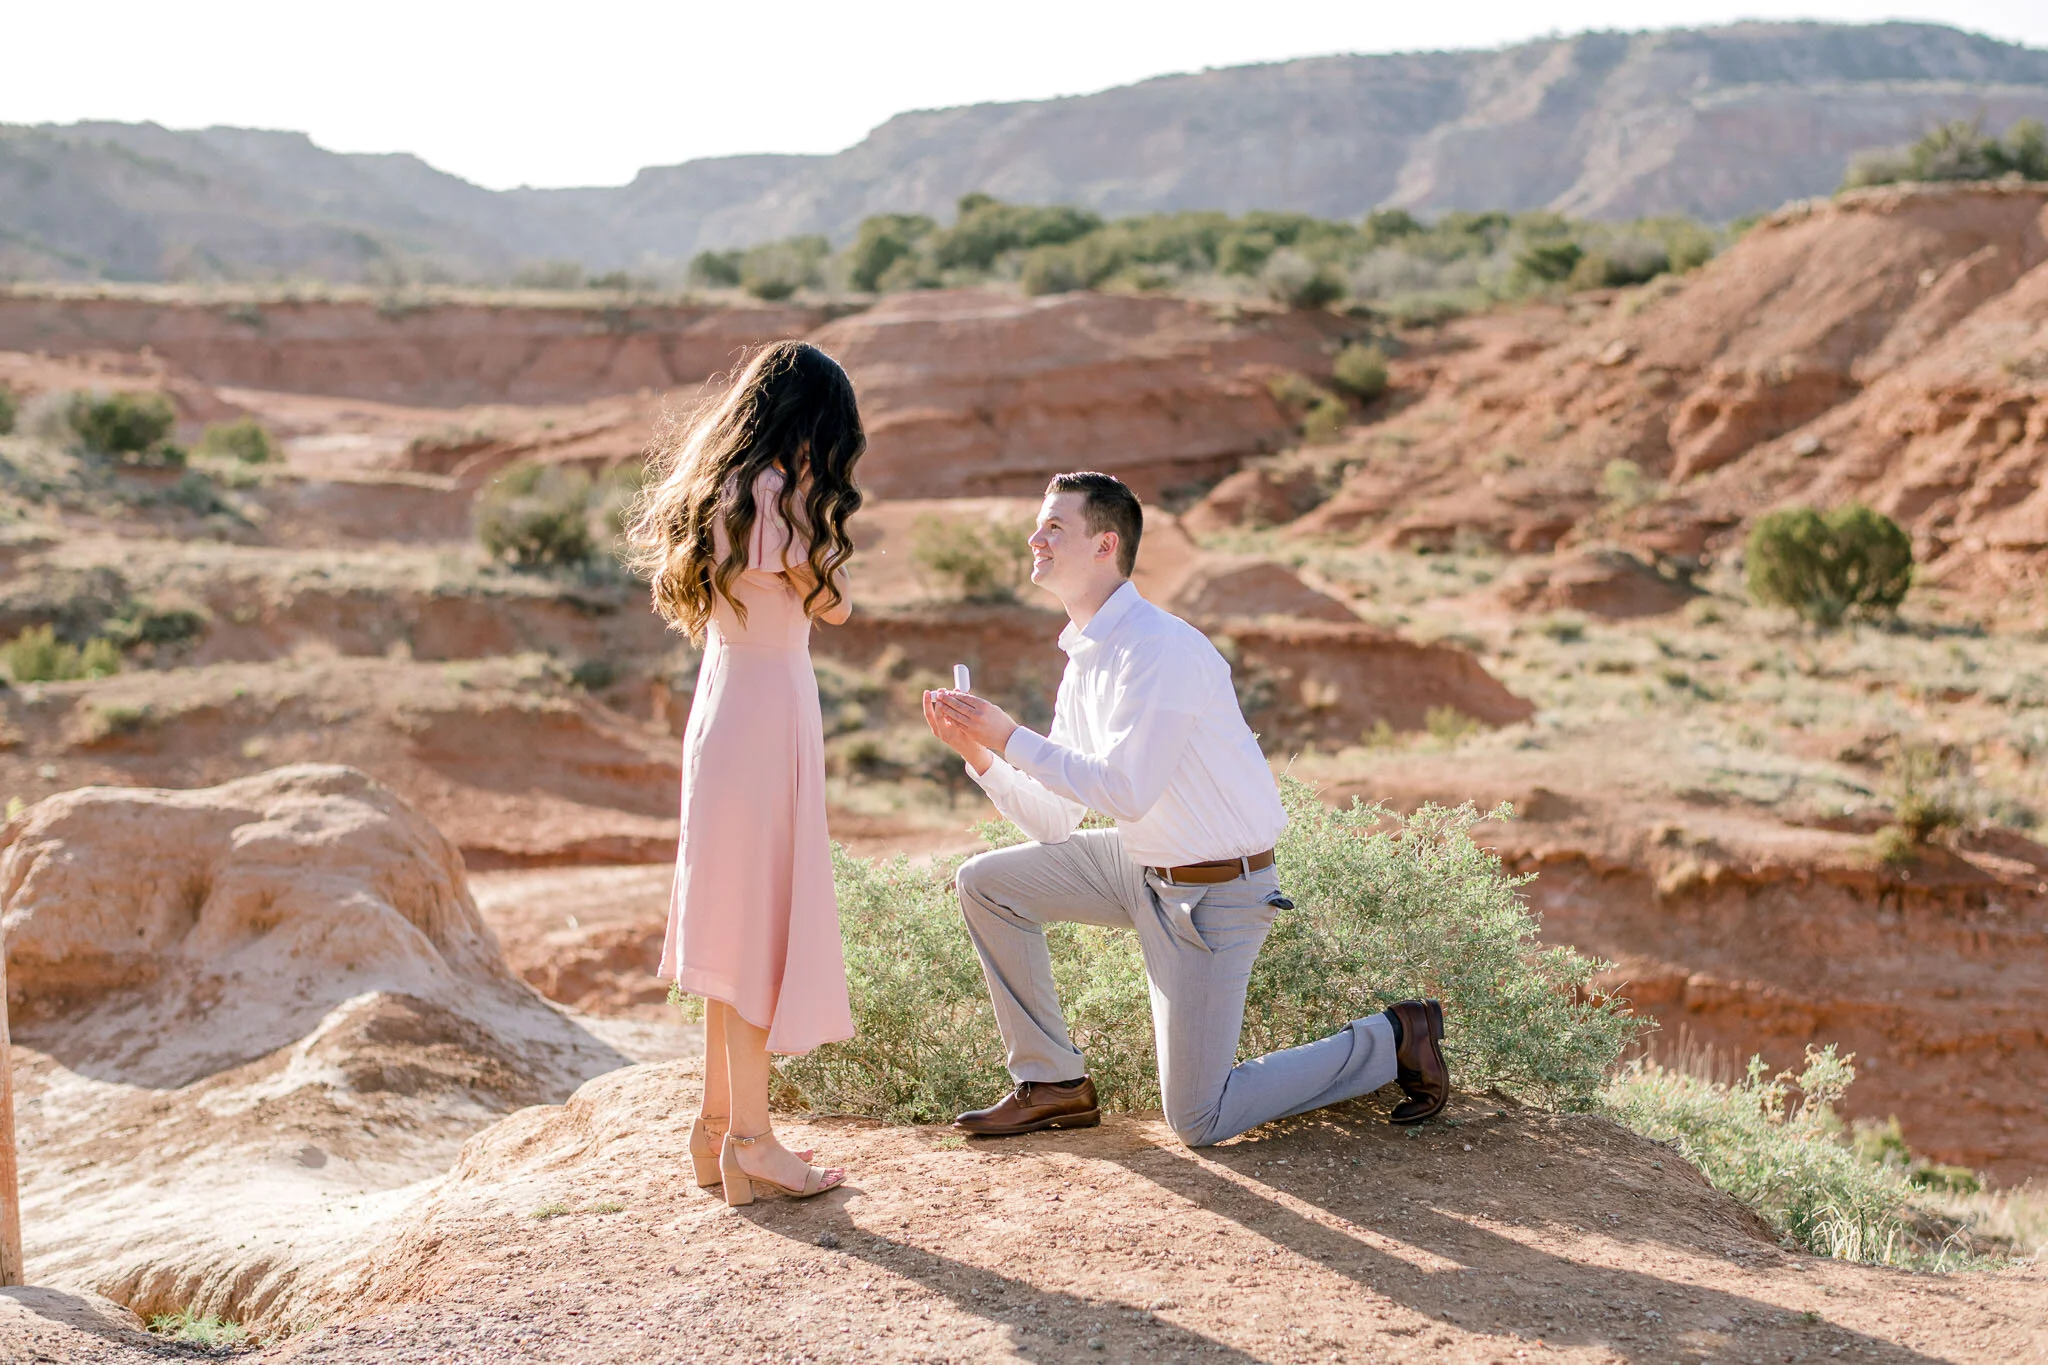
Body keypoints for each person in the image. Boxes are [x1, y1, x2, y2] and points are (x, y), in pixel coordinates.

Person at [923, 471, 1449, 1146]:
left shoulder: (1160, 647)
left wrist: (1009, 735)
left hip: (1216, 892)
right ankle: (1052, 1082)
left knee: (1199, 1118)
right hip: (1142, 865)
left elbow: (1126, 791)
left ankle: (1396, 1037)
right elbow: (1057, 819)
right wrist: (983, 755)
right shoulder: (1085, 657)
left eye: (1055, 526)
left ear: (1104, 544)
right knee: (986, 883)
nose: (1035, 537)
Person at [626, 340, 863, 1204]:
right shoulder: (780, 495)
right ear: (812, 423)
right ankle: (755, 1143)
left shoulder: (718, 486)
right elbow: (829, 604)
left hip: (722, 708)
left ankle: (716, 1127)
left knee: (730, 926)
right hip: (769, 718)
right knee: (760, 928)